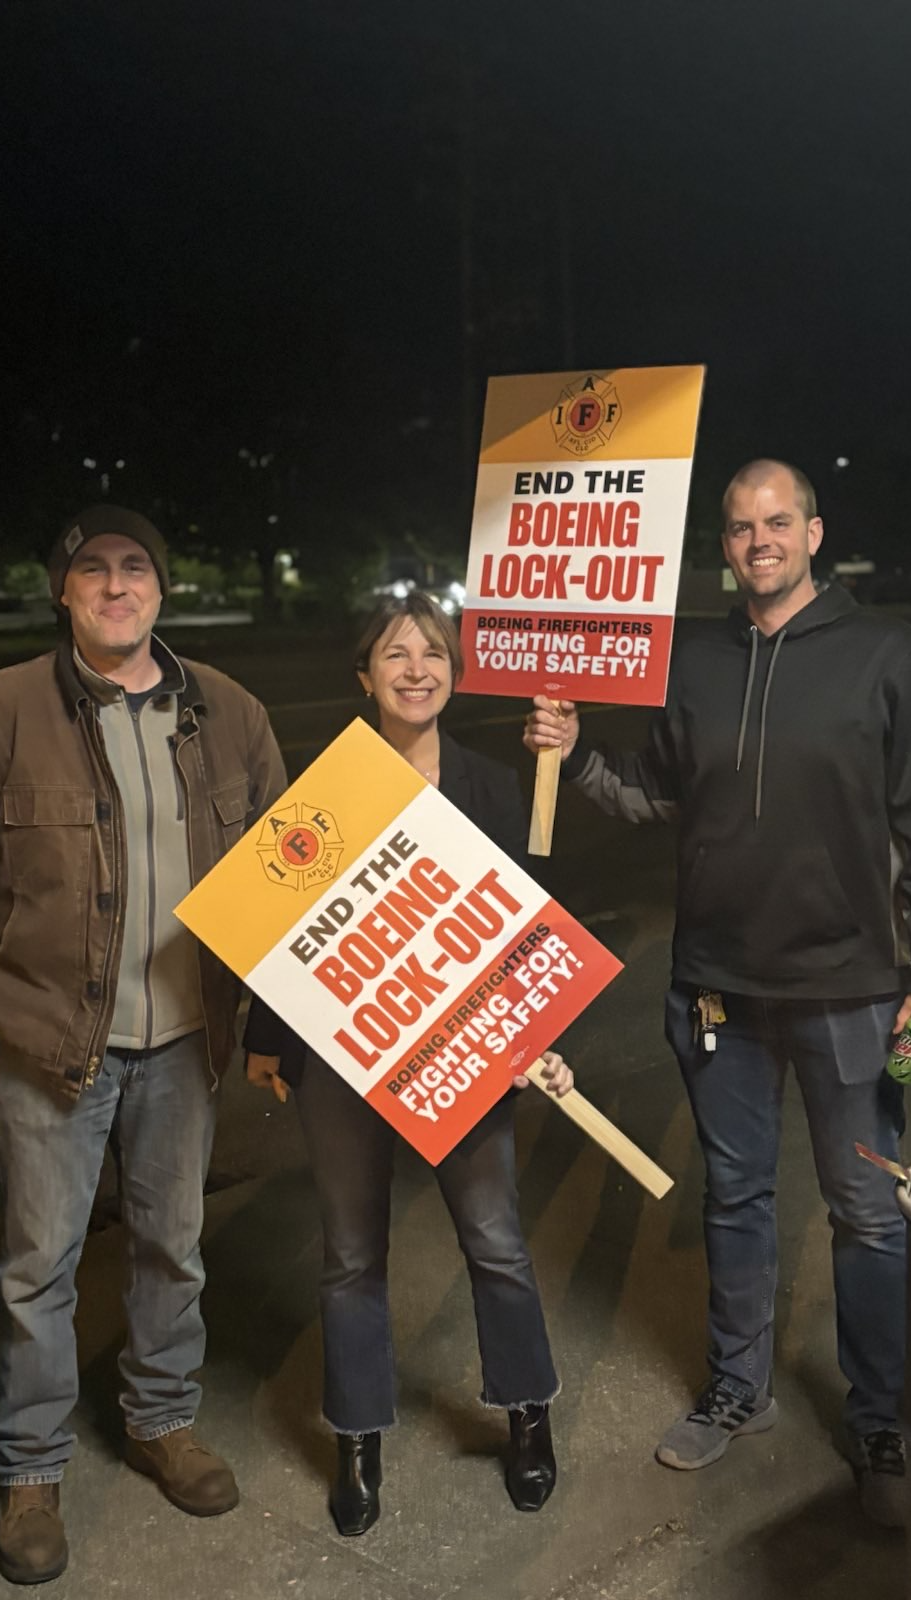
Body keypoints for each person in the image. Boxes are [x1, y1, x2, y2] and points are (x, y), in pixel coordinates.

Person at [524, 459, 911, 1529]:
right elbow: (652, 792)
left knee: (868, 1211)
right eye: (738, 526)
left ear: (816, 533)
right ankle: (740, 1385)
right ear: (722, 544)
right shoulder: (696, 657)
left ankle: (876, 1414)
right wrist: (577, 751)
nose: (758, 539)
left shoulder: (888, 655)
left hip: (856, 995)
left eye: (778, 521)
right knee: (737, 1197)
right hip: (718, 990)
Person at [0, 505, 286, 1584]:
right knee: (36, 1269)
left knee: (171, 1245)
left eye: (136, 566)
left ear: (163, 587)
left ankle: (161, 1419)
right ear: (62, 592)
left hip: (187, 1040)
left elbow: (290, 875)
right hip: (52, 1046)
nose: (117, 584)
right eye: (93, 570)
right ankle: (29, 1465)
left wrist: (277, 1017)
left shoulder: (230, 713)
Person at [244, 591, 573, 1537]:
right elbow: (285, 925)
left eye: (433, 652)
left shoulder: (492, 784)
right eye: (395, 654)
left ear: (455, 674)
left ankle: (526, 1415)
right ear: (365, 677)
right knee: (351, 1256)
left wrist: (536, 1033)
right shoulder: (327, 788)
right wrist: (271, 1039)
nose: (416, 668)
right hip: (345, 1058)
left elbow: (524, 923)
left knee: (496, 1240)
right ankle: (356, 1436)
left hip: (464, 1052)